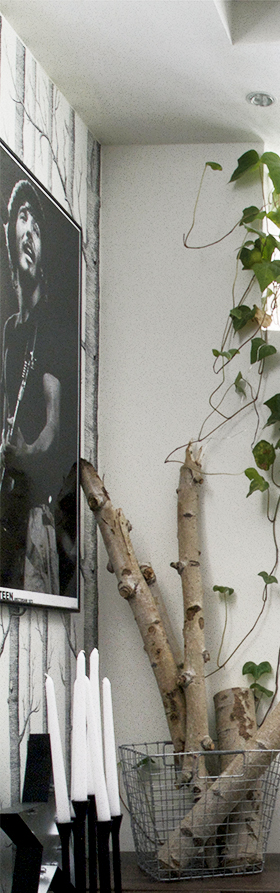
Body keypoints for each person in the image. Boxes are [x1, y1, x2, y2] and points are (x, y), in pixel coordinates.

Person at [0, 178, 68, 594]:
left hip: (34, 507)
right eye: (22, 219)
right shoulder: (11, 328)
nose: (30, 233)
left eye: (38, 228)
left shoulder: (52, 328)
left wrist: (27, 453)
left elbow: (52, 425)